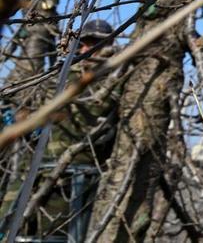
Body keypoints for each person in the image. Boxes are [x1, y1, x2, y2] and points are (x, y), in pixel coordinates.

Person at [2, 19, 119, 240]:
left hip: (75, 179)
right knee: (12, 228)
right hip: (36, 168)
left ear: (110, 44)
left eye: (96, 43)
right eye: (84, 42)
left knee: (55, 235)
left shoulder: (114, 79)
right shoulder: (61, 75)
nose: (88, 48)